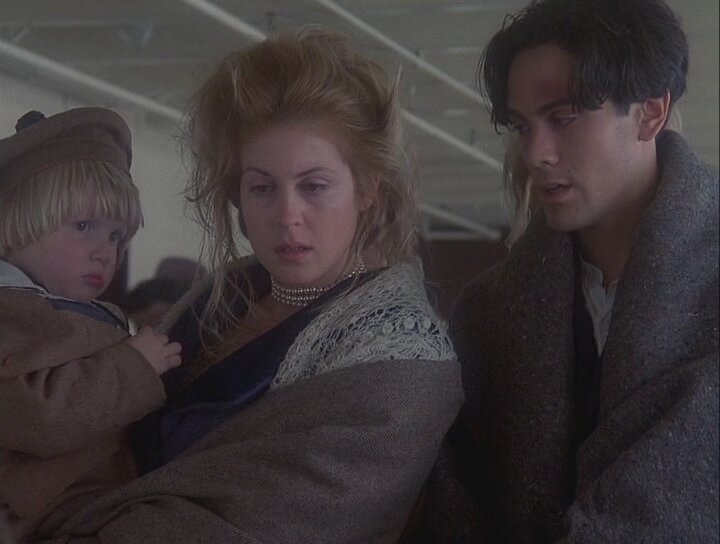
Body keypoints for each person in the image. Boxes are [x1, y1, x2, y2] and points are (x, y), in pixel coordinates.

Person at [43, 28, 463, 543]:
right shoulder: (222, 295)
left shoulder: (404, 357)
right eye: (262, 187)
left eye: (314, 186)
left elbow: (262, 527)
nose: (287, 216)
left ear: (368, 188)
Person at [419, 0, 719, 542]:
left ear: (650, 113)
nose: (536, 153)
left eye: (563, 118)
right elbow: (453, 497)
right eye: (522, 126)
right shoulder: (489, 312)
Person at [0, 107, 182, 542]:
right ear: (17, 223)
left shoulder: (67, 308)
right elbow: (39, 416)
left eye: (116, 236)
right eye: (83, 226)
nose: (105, 252)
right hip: (46, 514)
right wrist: (134, 367)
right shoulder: (13, 312)